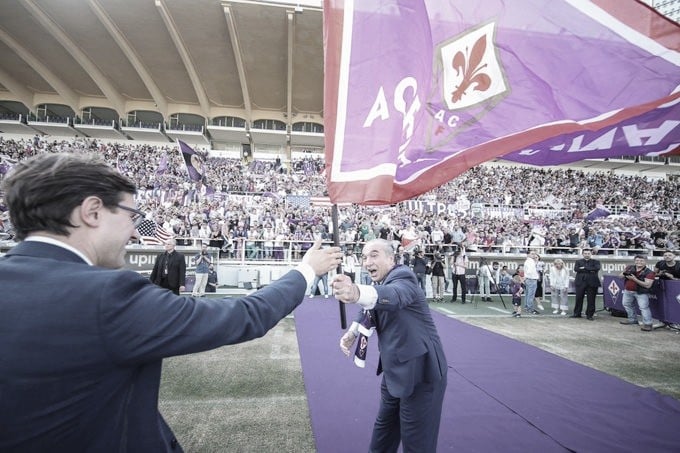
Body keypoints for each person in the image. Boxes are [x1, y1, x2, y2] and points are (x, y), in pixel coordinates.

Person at [0, 153, 343, 451]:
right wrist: (306, 271)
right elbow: (245, 317)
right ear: (92, 212)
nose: (135, 232)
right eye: (131, 216)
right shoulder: (109, 295)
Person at [332, 239, 447, 452]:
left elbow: (392, 296)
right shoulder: (382, 282)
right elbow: (371, 307)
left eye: (374, 255)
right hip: (394, 371)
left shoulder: (404, 278)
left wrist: (356, 292)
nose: (367, 262)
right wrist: (353, 331)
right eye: (365, 257)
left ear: (391, 259)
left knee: (416, 443)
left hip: (422, 374)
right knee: (383, 435)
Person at [619, 255, 656, 331]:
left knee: (644, 308)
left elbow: (648, 285)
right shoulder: (630, 268)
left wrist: (634, 279)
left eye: (641, 261)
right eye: (637, 260)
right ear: (634, 261)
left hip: (641, 292)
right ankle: (632, 320)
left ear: (646, 262)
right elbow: (620, 276)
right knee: (626, 304)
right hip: (628, 290)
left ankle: (648, 324)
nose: (639, 262)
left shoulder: (649, 272)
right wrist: (625, 273)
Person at [571, 247, 601, 320]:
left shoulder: (596, 261)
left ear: (591, 254)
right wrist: (590, 269)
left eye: (588, 253)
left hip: (592, 283)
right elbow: (576, 269)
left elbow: (596, 268)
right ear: (582, 254)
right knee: (578, 298)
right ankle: (577, 313)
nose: (587, 255)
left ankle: (590, 315)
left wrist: (584, 268)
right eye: (585, 253)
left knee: (591, 299)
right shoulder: (578, 261)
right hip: (580, 282)